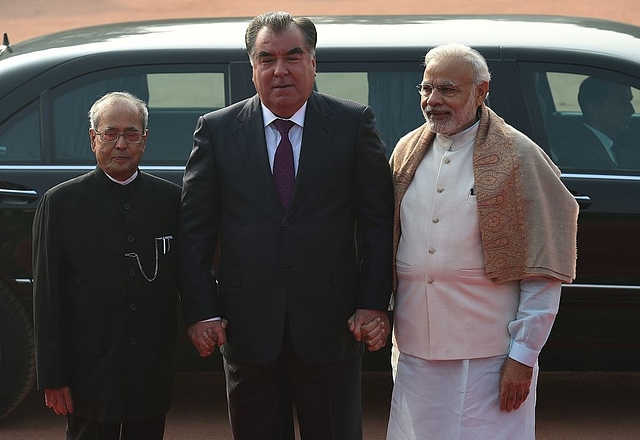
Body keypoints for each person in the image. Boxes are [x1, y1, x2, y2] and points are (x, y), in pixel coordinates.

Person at [178, 11, 394, 440]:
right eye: (267, 59)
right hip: (247, 328)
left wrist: (373, 303)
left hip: (332, 327)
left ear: (313, 62)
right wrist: (202, 311)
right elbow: (194, 231)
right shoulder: (217, 131)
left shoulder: (352, 124)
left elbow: (377, 221)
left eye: (293, 57)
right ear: (252, 67)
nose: (281, 70)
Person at [385, 43, 578, 440]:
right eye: (426, 89)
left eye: (448, 90)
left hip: (490, 357)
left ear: (481, 91)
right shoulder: (406, 151)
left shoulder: (519, 156)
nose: (433, 100)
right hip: (416, 350)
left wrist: (523, 357)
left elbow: (542, 271)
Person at [32, 91, 181, 440]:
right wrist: (52, 377)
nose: (120, 144)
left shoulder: (171, 201)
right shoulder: (61, 203)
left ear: (144, 140)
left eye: (131, 134)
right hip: (89, 368)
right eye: (109, 133)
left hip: (150, 365)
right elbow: (47, 299)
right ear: (92, 138)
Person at [557, 76, 638, 169]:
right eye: (621, 103)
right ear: (594, 111)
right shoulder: (583, 157)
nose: (631, 110)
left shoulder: (604, 146)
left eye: (629, 101)